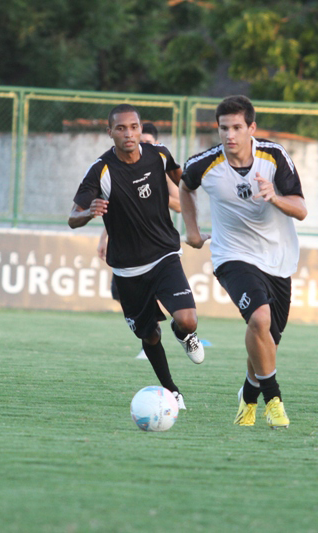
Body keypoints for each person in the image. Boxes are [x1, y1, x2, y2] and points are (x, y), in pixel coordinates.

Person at [180, 95, 307, 429]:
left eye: (237, 127)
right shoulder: (204, 164)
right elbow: (185, 186)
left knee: (268, 341)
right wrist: (192, 232)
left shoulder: (274, 156)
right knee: (259, 319)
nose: (230, 135)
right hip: (231, 256)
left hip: (278, 259)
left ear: (252, 128)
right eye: (224, 128)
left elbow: (301, 209)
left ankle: (248, 399)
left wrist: (275, 197)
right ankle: (274, 400)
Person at [69, 104, 204, 409]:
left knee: (187, 319)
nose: (128, 134)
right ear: (110, 133)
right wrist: (89, 213)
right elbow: (72, 216)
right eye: (121, 128)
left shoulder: (159, 154)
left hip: (165, 254)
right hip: (128, 270)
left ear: (141, 129)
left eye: (134, 127)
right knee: (150, 334)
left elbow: (185, 181)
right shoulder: (101, 170)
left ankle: (184, 334)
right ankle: (171, 389)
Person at [96, 122, 181, 360]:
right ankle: (150, 332)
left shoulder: (161, 172)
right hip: (127, 247)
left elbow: (180, 204)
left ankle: (157, 336)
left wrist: (154, 194)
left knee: (158, 290)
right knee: (118, 293)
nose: (142, 146)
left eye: (148, 143)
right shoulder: (117, 171)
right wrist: (105, 237)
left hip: (157, 246)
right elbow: (113, 209)